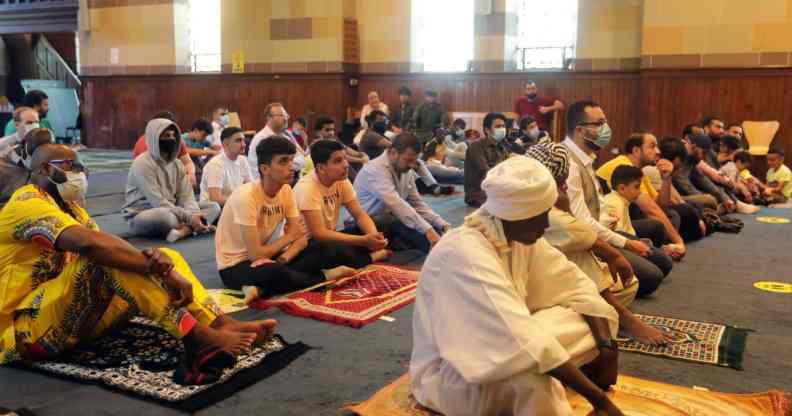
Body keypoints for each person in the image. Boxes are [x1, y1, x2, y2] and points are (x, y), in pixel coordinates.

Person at [0, 143, 276, 381]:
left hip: (73, 317)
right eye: (72, 166)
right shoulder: (26, 201)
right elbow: (91, 246)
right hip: (27, 330)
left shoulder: (72, 208)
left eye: (81, 167)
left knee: (166, 255)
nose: (80, 173)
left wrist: (160, 263)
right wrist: (156, 269)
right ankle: (195, 338)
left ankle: (218, 323)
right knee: (106, 261)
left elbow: (111, 246)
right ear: (47, 169)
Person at [410, 155, 623, 416]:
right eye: (541, 217)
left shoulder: (516, 234)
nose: (545, 226)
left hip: (506, 346)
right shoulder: (464, 252)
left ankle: (560, 369)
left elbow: (577, 286)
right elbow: (519, 339)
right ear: (516, 214)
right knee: (530, 379)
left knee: (585, 318)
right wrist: (599, 399)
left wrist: (606, 348)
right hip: (451, 375)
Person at [529, 141, 669, 344]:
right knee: (649, 274)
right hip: (540, 277)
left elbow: (580, 226)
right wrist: (616, 252)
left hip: (593, 240)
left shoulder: (583, 166)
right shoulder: (529, 206)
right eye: (560, 182)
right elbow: (577, 229)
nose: (564, 187)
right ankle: (620, 317)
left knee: (632, 283)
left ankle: (605, 311)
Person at [216, 137, 365, 303]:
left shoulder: (286, 190)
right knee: (273, 272)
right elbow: (255, 254)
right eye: (283, 161)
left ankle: (260, 286)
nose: (291, 166)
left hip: (270, 256)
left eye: (291, 160)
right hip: (235, 265)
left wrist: (284, 258)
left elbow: (300, 239)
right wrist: (288, 238)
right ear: (265, 169)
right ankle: (324, 277)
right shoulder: (245, 197)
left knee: (326, 249)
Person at [294, 139, 391, 265]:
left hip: (332, 236)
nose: (346, 164)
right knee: (331, 251)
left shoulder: (341, 180)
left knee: (382, 221)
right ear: (321, 168)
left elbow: (360, 215)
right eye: (338, 161)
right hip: (309, 244)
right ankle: (370, 258)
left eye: (345, 159)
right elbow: (319, 234)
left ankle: (361, 256)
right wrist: (363, 241)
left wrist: (374, 237)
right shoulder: (307, 187)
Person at [123, 118, 221, 242]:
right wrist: (191, 218)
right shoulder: (142, 164)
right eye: (166, 135)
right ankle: (195, 227)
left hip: (174, 208)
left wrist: (195, 215)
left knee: (213, 207)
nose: (172, 139)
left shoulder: (177, 164)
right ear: (154, 138)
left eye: (173, 135)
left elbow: (187, 197)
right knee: (167, 218)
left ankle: (184, 231)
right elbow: (159, 203)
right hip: (144, 213)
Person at [597, 133, 704, 245]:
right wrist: (679, 241)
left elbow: (661, 205)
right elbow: (652, 210)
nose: (658, 151)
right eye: (652, 146)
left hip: (627, 218)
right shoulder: (624, 166)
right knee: (658, 224)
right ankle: (665, 247)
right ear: (636, 151)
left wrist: (666, 178)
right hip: (612, 225)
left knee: (673, 214)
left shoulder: (639, 171)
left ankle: (664, 247)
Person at [354, 133, 451, 253]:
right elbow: (397, 205)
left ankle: (405, 243)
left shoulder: (406, 169)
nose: (411, 165)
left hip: (390, 218)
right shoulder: (375, 169)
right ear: (393, 153)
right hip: (365, 224)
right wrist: (428, 231)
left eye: (414, 161)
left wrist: (443, 224)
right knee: (397, 220)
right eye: (409, 160)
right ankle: (440, 251)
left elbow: (417, 203)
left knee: (435, 227)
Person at [600, 165, 675, 294]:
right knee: (656, 274)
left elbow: (629, 234)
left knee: (663, 259)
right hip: (615, 244)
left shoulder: (622, 200)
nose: (640, 191)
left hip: (626, 240)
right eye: (636, 187)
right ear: (622, 188)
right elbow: (619, 238)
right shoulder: (614, 203)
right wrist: (640, 247)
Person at [132, 111, 197, 186]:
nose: (171, 137)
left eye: (172, 131)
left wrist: (191, 174)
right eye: (166, 133)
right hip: (147, 183)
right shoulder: (145, 144)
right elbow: (148, 176)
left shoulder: (175, 140)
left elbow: (187, 162)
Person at [463, 112, 511, 207]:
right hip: (478, 193)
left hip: (496, 188)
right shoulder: (476, 147)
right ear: (487, 130)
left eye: (503, 126)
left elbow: (508, 169)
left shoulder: (502, 147)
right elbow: (486, 173)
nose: (502, 129)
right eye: (498, 126)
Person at [249, 103, 306, 180]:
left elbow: (302, 157)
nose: (286, 119)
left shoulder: (287, 134)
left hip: (287, 178)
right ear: (269, 118)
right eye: (283, 115)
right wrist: (292, 161)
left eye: (286, 115)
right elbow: (277, 167)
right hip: (266, 183)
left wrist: (290, 162)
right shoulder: (263, 138)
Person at [0, 128, 54, 207]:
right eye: (34, 156)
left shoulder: (49, 164)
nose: (37, 160)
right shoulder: (3, 166)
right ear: (23, 145)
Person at [199, 127, 252, 207]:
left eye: (243, 140)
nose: (244, 144)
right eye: (238, 141)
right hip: (214, 211)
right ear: (225, 144)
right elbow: (216, 199)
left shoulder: (243, 160)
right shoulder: (216, 164)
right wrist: (242, 201)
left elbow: (250, 188)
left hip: (234, 205)